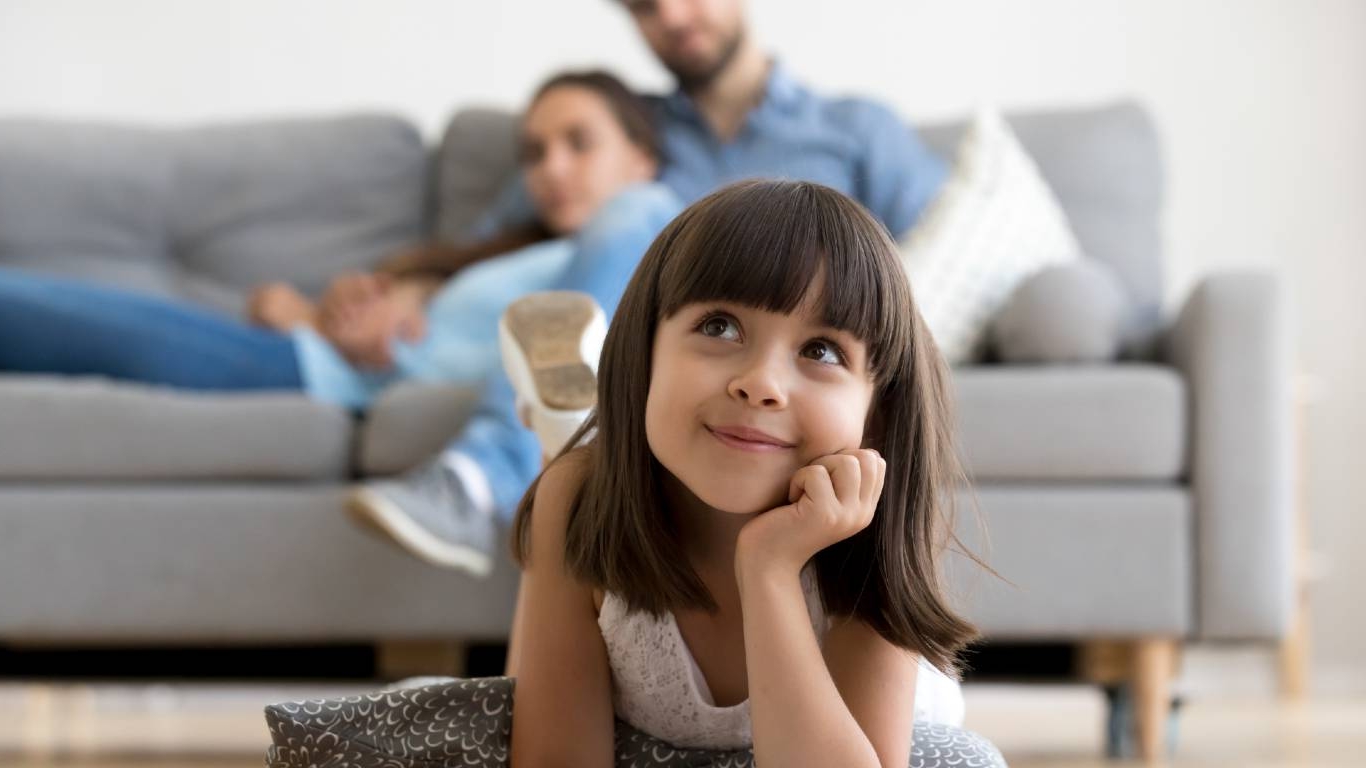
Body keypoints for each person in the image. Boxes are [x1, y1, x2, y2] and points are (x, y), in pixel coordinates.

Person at [352, 0, 951, 572]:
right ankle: (521, 449)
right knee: (636, 209)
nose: (671, 18)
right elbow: (507, 237)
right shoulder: (624, 130)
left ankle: (486, 474)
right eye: (645, 7)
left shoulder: (855, 128)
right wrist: (417, 285)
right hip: (663, 343)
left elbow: (942, 252)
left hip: (790, 357)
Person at [507, 179, 978, 767]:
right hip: (643, 738)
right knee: (499, 710)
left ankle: (571, 419)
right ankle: (570, 429)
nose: (761, 383)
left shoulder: (873, 530)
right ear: (642, 350)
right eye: (719, 326)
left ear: (876, 413)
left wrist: (770, 570)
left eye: (822, 351)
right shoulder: (579, 499)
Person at [0, 71, 676, 420]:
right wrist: (325, 311)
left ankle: (485, 464)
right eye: (533, 153)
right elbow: (288, 307)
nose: (550, 170)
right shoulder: (509, 255)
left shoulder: (642, 229)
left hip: (312, 379)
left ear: (642, 156)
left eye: (578, 143)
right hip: (296, 355)